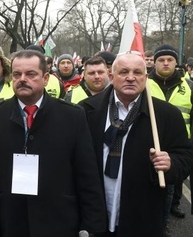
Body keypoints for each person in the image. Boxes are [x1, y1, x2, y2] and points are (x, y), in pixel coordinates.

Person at [0, 50, 107, 237]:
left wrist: (92, 223)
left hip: (60, 220)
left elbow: (86, 173)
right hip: (10, 221)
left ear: (45, 78)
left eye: (30, 74)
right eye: (17, 74)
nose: (22, 79)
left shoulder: (72, 116)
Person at [78, 52, 193, 236]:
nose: (131, 77)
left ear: (145, 77)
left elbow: (185, 156)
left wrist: (171, 163)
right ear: (111, 77)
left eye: (137, 72)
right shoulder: (86, 110)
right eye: (124, 72)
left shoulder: (166, 115)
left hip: (142, 215)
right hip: (95, 213)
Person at [148, 45, 193, 231]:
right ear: (154, 63)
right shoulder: (144, 83)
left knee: (171, 186)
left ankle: (164, 221)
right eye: (161, 60)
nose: (165, 63)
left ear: (177, 63)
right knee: (152, 186)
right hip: (150, 141)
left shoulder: (188, 86)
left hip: (178, 144)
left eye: (170, 60)